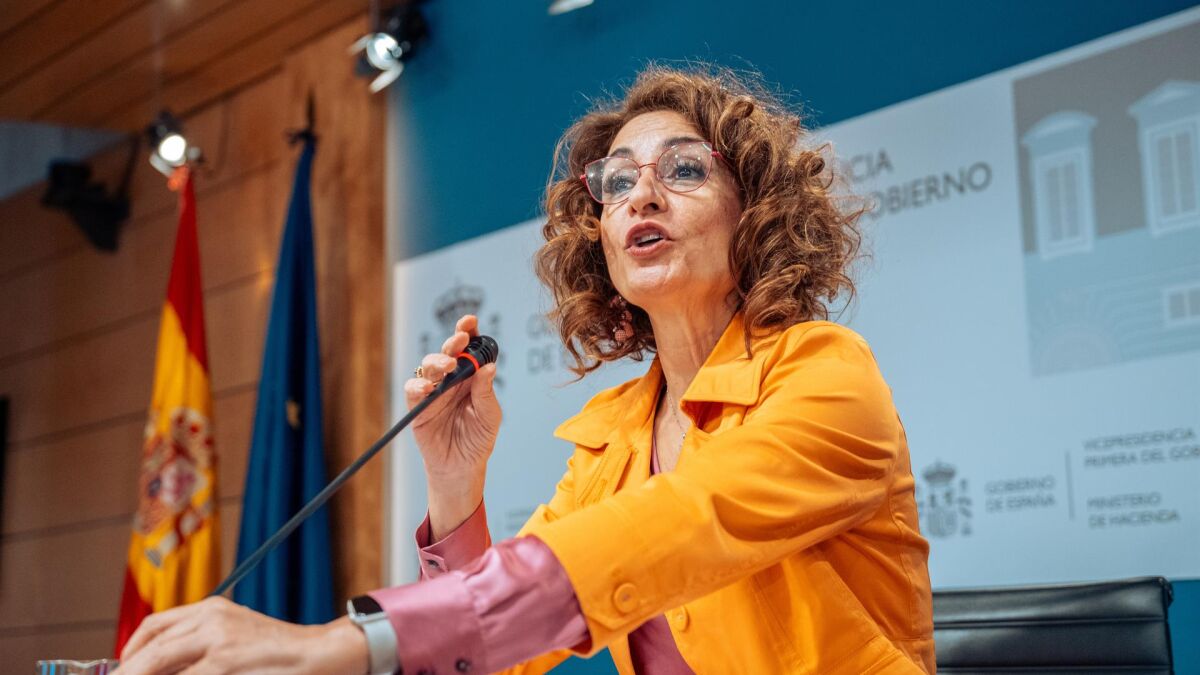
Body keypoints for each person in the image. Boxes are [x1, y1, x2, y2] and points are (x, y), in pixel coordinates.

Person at [119, 65, 935, 675]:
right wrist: (455, 485)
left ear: (755, 210)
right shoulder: (621, 431)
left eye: (684, 169)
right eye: (617, 181)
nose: (641, 195)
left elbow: (682, 524)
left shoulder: (827, 374)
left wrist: (339, 644)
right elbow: (498, 652)